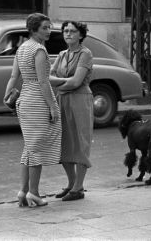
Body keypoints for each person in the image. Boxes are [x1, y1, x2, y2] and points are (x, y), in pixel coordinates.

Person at [4, 13, 61, 207]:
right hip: (38, 100)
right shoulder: (39, 50)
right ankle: (34, 193)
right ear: (34, 29)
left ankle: (23, 191)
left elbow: (13, 76)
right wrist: (53, 106)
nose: (49, 30)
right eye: (45, 27)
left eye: (49, 27)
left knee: (29, 147)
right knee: (36, 148)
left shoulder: (22, 49)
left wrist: (7, 97)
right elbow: (43, 82)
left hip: (24, 100)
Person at [50, 21, 93, 201]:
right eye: (65, 31)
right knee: (64, 142)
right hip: (62, 100)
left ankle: (79, 187)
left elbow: (77, 82)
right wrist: (66, 83)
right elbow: (48, 77)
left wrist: (61, 82)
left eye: (73, 31)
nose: (68, 34)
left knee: (80, 141)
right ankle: (72, 183)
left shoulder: (85, 54)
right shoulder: (62, 55)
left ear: (81, 35)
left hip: (80, 100)